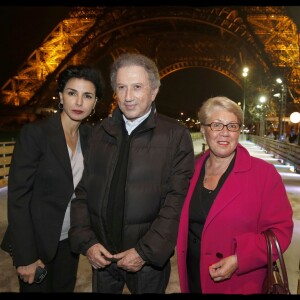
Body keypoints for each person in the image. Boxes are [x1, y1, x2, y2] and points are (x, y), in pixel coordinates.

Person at [69, 52, 195, 294]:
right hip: (102, 256)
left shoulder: (176, 136)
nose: (128, 97)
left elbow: (175, 203)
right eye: (121, 87)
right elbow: (83, 193)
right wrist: (89, 244)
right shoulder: (99, 133)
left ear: (154, 91)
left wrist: (144, 252)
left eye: (137, 87)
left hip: (147, 264)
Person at [1, 64, 104, 292]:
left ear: (95, 103)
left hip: (70, 241)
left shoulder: (90, 137)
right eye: (71, 93)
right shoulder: (35, 135)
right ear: (60, 96)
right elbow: (18, 199)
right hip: (36, 244)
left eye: (87, 96)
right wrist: (25, 256)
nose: (79, 103)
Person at [176, 96, 294, 294]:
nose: (225, 132)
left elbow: (281, 232)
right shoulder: (190, 171)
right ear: (203, 130)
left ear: (239, 130)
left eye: (232, 125)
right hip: (194, 277)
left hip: (240, 283)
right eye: (216, 125)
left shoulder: (264, 174)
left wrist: (240, 259)